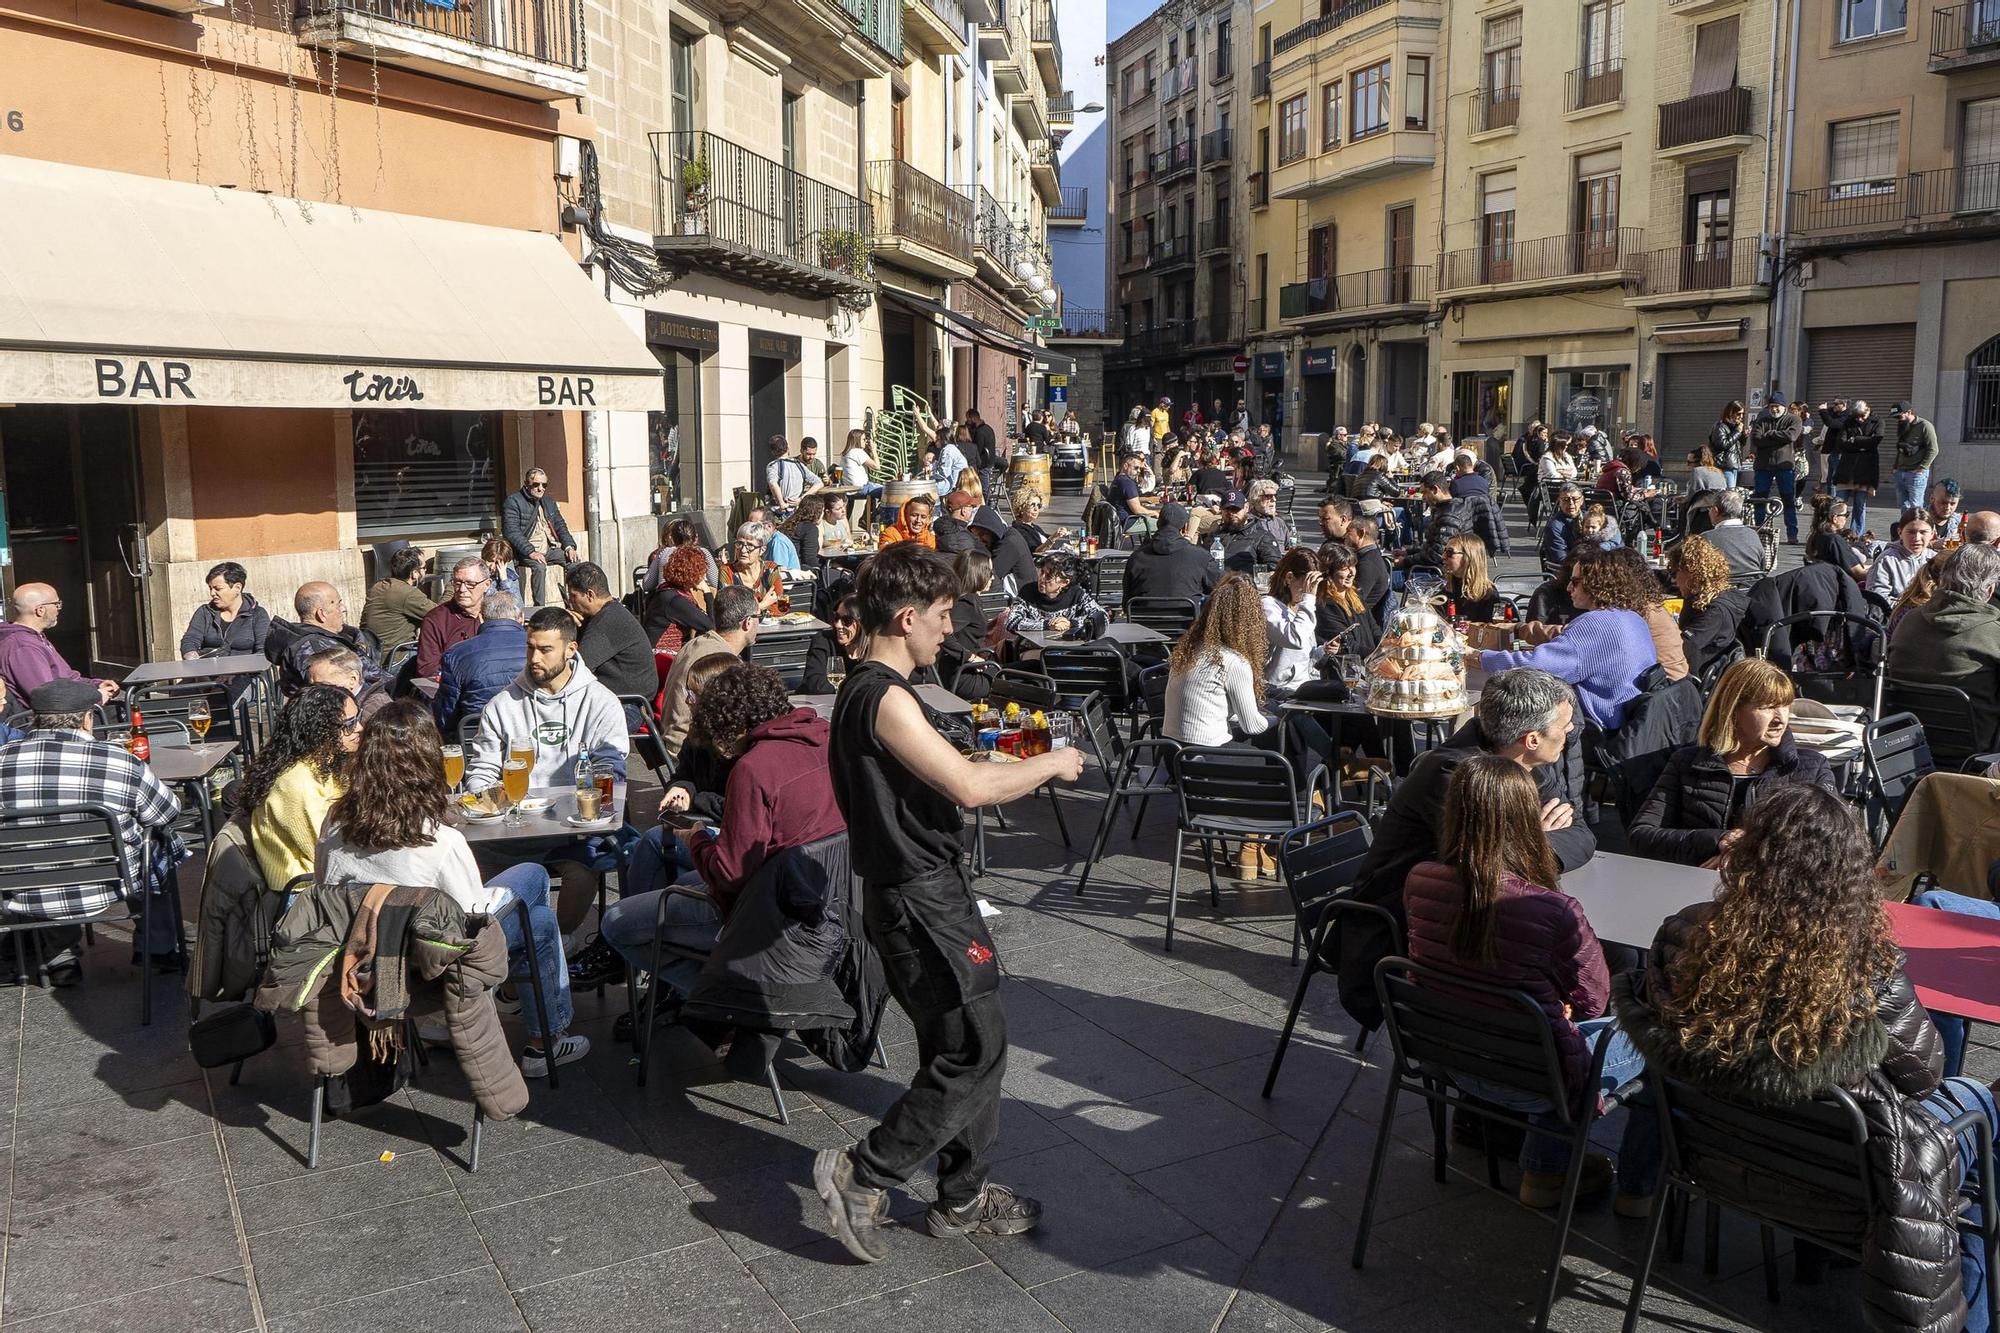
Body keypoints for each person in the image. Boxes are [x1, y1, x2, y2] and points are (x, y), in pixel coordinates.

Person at [1616, 782, 1995, 1329]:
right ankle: (1978, 1311)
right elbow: (1925, 1075)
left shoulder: (1684, 933)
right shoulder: (1865, 968)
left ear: (1746, 855)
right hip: (1844, 1178)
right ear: (1846, 874)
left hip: (1716, 1154)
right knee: (1981, 1103)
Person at [814, 542, 1084, 1262]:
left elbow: (953, 770)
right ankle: (862, 1172)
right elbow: (967, 788)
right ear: (906, 618)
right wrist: (1052, 762)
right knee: (978, 1045)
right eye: (940, 616)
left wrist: (1005, 757)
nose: (947, 629)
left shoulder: (871, 692)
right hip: (919, 899)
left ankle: (962, 1196)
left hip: (916, 893)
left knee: (958, 1043)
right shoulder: (884, 695)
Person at [1405, 754, 1655, 1212]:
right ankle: (1637, 1191)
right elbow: (1596, 1001)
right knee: (1659, 1035)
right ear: (1526, 818)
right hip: (1539, 1078)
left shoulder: (1420, 880)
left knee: (1547, 1027)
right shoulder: (1553, 908)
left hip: (1450, 1059)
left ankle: (1547, 1171)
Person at [316, 700, 586, 1078]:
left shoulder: (334, 822)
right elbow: (472, 921)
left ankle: (508, 1005)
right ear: (428, 762)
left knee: (531, 892)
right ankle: (546, 1038)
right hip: (434, 963)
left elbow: (324, 890)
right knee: (537, 909)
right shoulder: (440, 841)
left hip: (367, 955)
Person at [1338, 669, 1595, 1023]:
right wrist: (1534, 839)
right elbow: (1494, 866)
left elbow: (1581, 834)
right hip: (1411, 933)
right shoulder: (1455, 776)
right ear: (1531, 738)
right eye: (1564, 725)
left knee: (1572, 949)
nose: (1570, 732)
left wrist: (1526, 841)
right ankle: (1552, 1053)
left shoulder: (1531, 764)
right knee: (1575, 957)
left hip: (1468, 917)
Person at [599, 661, 845, 1008]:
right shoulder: (825, 738)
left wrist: (697, 838)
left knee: (616, 923)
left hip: (760, 915)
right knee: (669, 867)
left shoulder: (754, 768)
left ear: (730, 719)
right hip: (825, 904)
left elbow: (729, 875)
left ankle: (719, 1002)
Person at [0, 679, 188, 977]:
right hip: (110, 883)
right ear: (88, 718)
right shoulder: (118, 761)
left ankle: (60, 955)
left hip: (22, 891)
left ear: (35, 718)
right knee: (159, 841)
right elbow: (166, 812)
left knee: (46, 853)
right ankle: (157, 947)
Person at [1628, 658, 1837, 867]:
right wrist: (1718, 840)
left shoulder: (1812, 768)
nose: (1780, 718)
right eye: (1768, 707)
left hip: (1777, 893)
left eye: (1785, 706)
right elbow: (1642, 836)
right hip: (1696, 887)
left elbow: (1832, 842)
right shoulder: (1686, 763)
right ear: (1733, 710)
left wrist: (1746, 853)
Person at [1480, 548, 1662, 729]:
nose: (1568, 588)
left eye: (1575, 582)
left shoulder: (1594, 623)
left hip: (1602, 730)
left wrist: (1479, 657)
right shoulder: (1633, 617)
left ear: (1596, 583)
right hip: (1636, 721)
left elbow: (1535, 665)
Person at [240, 684, 358, 893]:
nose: (360, 729)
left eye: (358, 718)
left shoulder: (326, 763)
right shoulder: (295, 782)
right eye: (349, 724)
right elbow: (325, 852)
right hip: (303, 892)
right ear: (321, 729)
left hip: (324, 879)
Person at [1886, 543, 2000, 755]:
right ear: (1990, 590)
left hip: (1905, 747)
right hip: (1975, 754)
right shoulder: (1993, 633)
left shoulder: (1908, 620)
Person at [658, 585, 760, 760]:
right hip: (691, 751)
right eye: (759, 616)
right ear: (748, 622)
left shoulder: (695, 643)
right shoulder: (721, 661)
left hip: (673, 739)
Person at [0, 583, 117, 707]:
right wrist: (95, 697)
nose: (59, 609)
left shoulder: (35, 637)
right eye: (56, 604)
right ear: (40, 610)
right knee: (128, 712)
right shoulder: (23, 647)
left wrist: (95, 685)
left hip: (69, 709)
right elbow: (48, 697)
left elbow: (65, 677)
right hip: (55, 720)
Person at [429, 588, 524, 734]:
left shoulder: (457, 654)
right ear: (521, 618)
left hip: (475, 738)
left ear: (481, 618)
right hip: (532, 737)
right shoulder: (541, 649)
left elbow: (446, 715)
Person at [265, 582, 383, 696]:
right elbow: (335, 696)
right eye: (338, 604)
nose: (343, 609)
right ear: (322, 614)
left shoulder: (326, 638)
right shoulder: (315, 649)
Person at [565, 561, 657, 704]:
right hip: (614, 699)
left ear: (590, 595)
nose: (570, 602)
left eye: (573, 596)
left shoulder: (608, 621)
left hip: (629, 704)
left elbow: (574, 667)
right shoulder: (606, 614)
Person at [1667, 537, 1747, 679]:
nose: (1673, 580)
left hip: (1693, 677)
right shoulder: (1707, 596)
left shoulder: (1714, 612)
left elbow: (1685, 647)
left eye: (1674, 573)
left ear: (1691, 574)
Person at [1261, 548, 1335, 698]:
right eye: (1308, 585)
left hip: (1307, 686)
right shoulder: (1268, 607)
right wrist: (1308, 599)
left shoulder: (1300, 608)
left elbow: (1304, 657)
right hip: (1280, 691)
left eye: (1315, 586)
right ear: (1289, 578)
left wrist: (1322, 651)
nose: (1312, 592)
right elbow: (1295, 639)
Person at [501, 467, 578, 606]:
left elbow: (560, 526)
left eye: (544, 485)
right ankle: (540, 607)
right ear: (526, 484)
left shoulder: (548, 502)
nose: (540, 488)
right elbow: (511, 532)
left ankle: (574, 602)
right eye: (536, 485)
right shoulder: (513, 502)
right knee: (540, 567)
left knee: (575, 563)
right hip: (525, 551)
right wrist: (531, 551)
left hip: (549, 548)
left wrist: (569, 546)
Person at [1409, 469, 1509, 568]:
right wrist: (1407, 553)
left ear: (1435, 489)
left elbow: (1436, 556)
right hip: (1441, 566)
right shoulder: (1444, 509)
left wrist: (1405, 561)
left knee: (1394, 576)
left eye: (1425, 493)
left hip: (1441, 572)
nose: (1423, 497)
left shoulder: (1449, 516)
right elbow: (1433, 547)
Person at [1126, 501, 1219, 604]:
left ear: (1158, 524)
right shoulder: (1201, 557)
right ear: (1185, 528)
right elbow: (1220, 586)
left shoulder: (1136, 558)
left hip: (1144, 619)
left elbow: (1126, 602)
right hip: (1189, 618)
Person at [414, 556, 491, 679]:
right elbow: (427, 669)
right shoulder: (436, 619)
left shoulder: (496, 615)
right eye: (457, 583)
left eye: (470, 584)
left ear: (487, 584)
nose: (462, 589)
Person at [1004, 553, 1107, 642]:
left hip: (1067, 647)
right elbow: (1011, 621)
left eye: (1048, 576)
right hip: (1033, 646)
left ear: (1065, 583)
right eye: (1042, 572)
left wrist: (1072, 623)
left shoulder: (1077, 594)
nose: (1042, 578)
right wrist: (1047, 625)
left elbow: (1102, 616)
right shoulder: (1027, 591)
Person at [181, 561, 272, 660]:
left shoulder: (257, 614)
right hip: (208, 671)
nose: (212, 593)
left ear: (237, 588)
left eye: (218, 589)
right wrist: (190, 655)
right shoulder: (205, 612)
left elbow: (264, 650)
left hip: (246, 673)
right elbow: (190, 639)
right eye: (210, 588)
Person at [1822, 398, 1882, 537]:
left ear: (1868, 411)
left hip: (1866, 468)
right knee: (1838, 502)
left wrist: (1855, 440)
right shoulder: (1849, 421)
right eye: (1857, 416)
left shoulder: (1877, 421)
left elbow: (1876, 441)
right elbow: (1841, 442)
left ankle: (1856, 534)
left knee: (1860, 504)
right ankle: (1834, 532)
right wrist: (1862, 443)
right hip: (1847, 468)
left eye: (1862, 416)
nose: (1860, 419)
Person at [1748, 397, 1804, 543]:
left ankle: (1792, 534)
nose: (1774, 409)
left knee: (1788, 499)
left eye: (1777, 406)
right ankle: (1758, 529)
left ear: (1783, 406)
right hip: (1763, 466)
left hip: (1784, 466)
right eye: (1772, 406)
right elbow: (1756, 439)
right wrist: (1779, 437)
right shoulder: (1762, 419)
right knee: (1759, 498)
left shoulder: (1794, 420)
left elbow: (1791, 436)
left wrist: (1770, 434)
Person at [359, 547, 434, 653]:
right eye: (424, 567)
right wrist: (452, 587)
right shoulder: (408, 594)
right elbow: (440, 615)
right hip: (395, 658)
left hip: (371, 655)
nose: (426, 570)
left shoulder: (379, 586)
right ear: (414, 573)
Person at [644, 545, 716, 654]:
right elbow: (711, 627)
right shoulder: (675, 601)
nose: (705, 578)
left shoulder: (667, 591)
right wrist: (707, 593)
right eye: (702, 572)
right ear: (692, 573)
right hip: (663, 659)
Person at [1314, 542, 1379, 660]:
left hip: (1370, 661)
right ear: (1329, 572)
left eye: (1353, 566)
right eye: (1344, 568)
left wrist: (1386, 645)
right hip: (1348, 667)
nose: (1351, 573)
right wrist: (1378, 655)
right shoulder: (1324, 604)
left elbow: (1373, 627)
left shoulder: (1355, 594)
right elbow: (1346, 644)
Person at [307, 645, 394, 724]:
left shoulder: (375, 710)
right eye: (312, 685)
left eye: (323, 685)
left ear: (353, 679)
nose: (315, 692)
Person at [804, 593, 870, 694]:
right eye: (836, 617)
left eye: (846, 620)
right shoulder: (824, 640)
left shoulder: (873, 649)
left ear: (861, 622)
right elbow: (814, 682)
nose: (838, 625)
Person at [1867, 509, 1937, 603]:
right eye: (1911, 532)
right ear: (1900, 533)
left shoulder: (1935, 559)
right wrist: (1907, 608)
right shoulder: (1887, 560)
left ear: (1932, 534)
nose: (1917, 538)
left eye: (1923, 532)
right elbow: (1876, 598)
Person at [1697, 490, 1767, 583]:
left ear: (1715, 510)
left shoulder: (1706, 537)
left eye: (1709, 509)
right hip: (1751, 589)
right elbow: (1762, 566)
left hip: (1719, 591)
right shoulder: (1753, 534)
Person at [721, 522, 788, 616]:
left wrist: (748, 612)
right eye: (739, 544)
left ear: (762, 550)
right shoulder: (727, 571)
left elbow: (783, 606)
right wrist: (761, 606)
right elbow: (728, 612)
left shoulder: (770, 569)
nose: (743, 550)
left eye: (750, 545)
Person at [1806, 499, 1870, 583]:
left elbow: (1855, 566)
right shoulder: (1834, 540)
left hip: (1823, 583)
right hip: (1840, 588)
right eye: (1846, 515)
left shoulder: (1815, 536)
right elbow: (1859, 573)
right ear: (1835, 518)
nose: (1846, 519)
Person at [1892, 401, 1940, 513]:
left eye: (1899, 416)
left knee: (1915, 507)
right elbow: (1900, 449)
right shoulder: (1902, 425)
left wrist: (1922, 467)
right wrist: (1895, 467)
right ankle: (1905, 528)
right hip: (1901, 471)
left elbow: (1933, 449)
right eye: (1895, 418)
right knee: (1903, 505)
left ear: (1908, 412)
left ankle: (1917, 528)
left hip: (1915, 473)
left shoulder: (1925, 426)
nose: (1898, 419)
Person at [1442, 533, 1499, 622]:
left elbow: (1489, 629)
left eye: (1449, 552)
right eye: (1444, 551)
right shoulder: (1443, 587)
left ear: (1468, 557)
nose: (1443, 556)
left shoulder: (1487, 593)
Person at [1111, 452, 1161, 537]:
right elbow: (1137, 510)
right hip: (1129, 523)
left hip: (1119, 521)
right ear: (1126, 466)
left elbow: (1130, 500)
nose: (1138, 471)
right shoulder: (1127, 482)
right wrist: (1154, 513)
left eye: (1140, 469)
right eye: (1136, 468)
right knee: (1168, 524)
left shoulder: (1118, 479)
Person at [839, 428, 883, 514]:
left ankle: (866, 516)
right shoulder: (857, 452)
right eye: (863, 439)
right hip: (860, 488)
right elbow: (877, 466)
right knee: (887, 492)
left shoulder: (847, 453)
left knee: (875, 489)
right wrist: (874, 450)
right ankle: (871, 516)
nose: (865, 442)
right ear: (857, 440)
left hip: (849, 489)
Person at [764, 435, 813, 511]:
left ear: (773, 451)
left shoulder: (773, 465)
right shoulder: (799, 464)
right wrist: (801, 499)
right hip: (796, 510)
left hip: (778, 511)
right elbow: (819, 483)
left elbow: (773, 483)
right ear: (787, 448)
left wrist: (781, 503)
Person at [932, 490, 982, 556]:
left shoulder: (938, 530)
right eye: (971, 507)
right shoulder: (966, 539)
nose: (972, 510)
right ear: (963, 510)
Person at [1709, 401, 1745, 489]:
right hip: (1724, 465)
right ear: (1730, 413)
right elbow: (1722, 444)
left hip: (1734, 465)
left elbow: (1737, 446)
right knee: (1728, 494)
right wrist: (1737, 432)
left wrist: (1744, 435)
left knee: (1732, 493)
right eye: (1738, 414)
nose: (1741, 417)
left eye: (1742, 414)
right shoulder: (1720, 426)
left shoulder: (1733, 427)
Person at [482, 536, 524, 601]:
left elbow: (517, 606)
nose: (492, 567)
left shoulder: (511, 577)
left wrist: (504, 581)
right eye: (490, 561)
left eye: (497, 563)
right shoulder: (477, 574)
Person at [1930, 478, 1967, 544]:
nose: (1948, 507)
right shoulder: (1918, 519)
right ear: (1932, 499)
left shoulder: (1960, 522)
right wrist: (1932, 544)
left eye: (1952, 504)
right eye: (1943, 502)